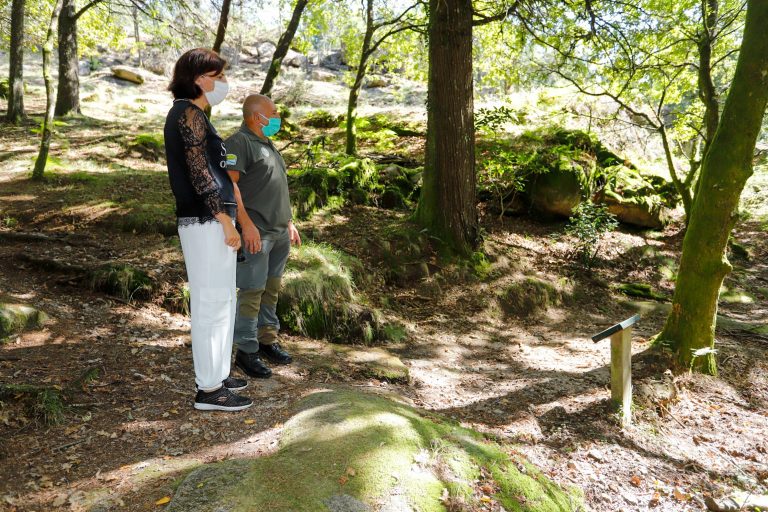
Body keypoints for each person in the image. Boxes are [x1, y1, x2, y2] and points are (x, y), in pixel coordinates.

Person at [164, 48, 252, 411]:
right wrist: (223, 219)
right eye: (217, 76)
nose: (222, 83)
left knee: (222, 299)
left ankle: (218, 373)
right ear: (199, 78)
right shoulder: (187, 113)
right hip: (205, 221)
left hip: (210, 219)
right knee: (210, 303)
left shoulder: (196, 114)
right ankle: (209, 390)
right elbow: (200, 172)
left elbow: (214, 172)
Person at [225, 94, 301, 379]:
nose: (278, 116)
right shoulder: (239, 143)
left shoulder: (268, 143)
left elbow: (276, 187)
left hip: (279, 232)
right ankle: (246, 350)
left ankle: (267, 341)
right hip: (257, 234)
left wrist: (289, 223)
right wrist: (245, 224)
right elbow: (229, 187)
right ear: (258, 117)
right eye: (274, 112)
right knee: (252, 291)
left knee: (271, 289)